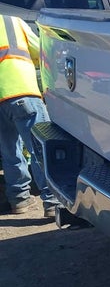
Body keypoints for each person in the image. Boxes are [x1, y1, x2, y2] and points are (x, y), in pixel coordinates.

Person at [0, 14, 60, 217]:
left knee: (10, 152)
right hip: (22, 91)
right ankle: (52, 203)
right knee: (39, 149)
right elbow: (42, 52)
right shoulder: (13, 22)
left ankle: (19, 200)